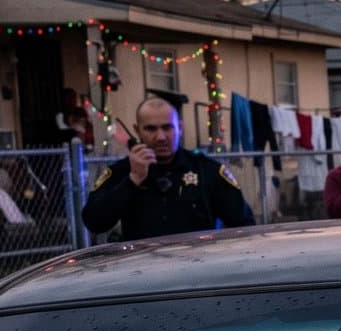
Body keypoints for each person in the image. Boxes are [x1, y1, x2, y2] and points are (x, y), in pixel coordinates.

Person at [81, 97, 256, 242]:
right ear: (137, 130)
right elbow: (94, 222)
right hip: (142, 274)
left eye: (167, 127)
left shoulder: (206, 170)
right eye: (150, 129)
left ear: (179, 127)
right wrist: (133, 180)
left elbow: (245, 225)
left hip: (198, 273)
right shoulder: (123, 171)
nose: (160, 137)